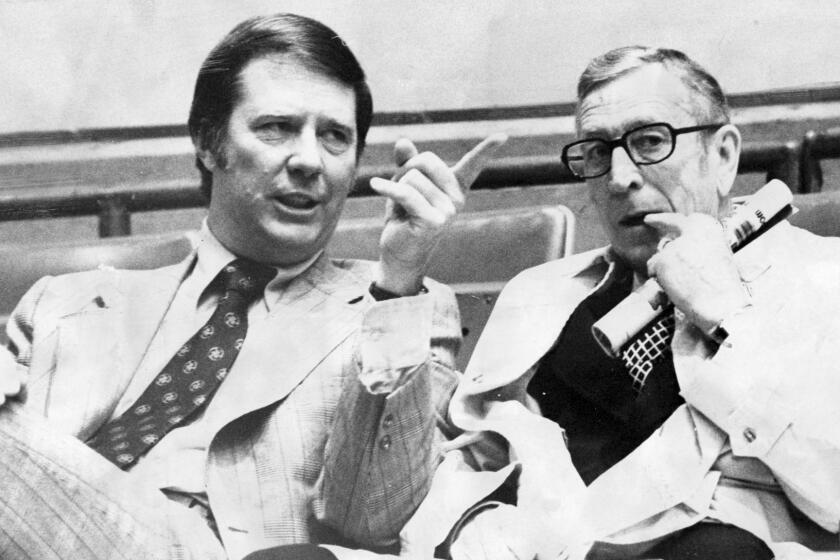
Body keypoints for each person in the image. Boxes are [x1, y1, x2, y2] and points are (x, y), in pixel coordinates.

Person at [0, 13, 504, 560]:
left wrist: (399, 280)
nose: (310, 160)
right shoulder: (64, 303)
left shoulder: (398, 307)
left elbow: (375, 522)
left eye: (335, 137)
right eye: (277, 128)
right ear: (208, 143)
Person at [401, 46, 840, 560]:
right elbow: (465, 464)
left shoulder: (821, 276)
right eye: (597, 153)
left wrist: (726, 315)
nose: (619, 177)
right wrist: (473, 524)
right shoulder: (538, 293)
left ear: (722, 156)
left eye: (651, 141)